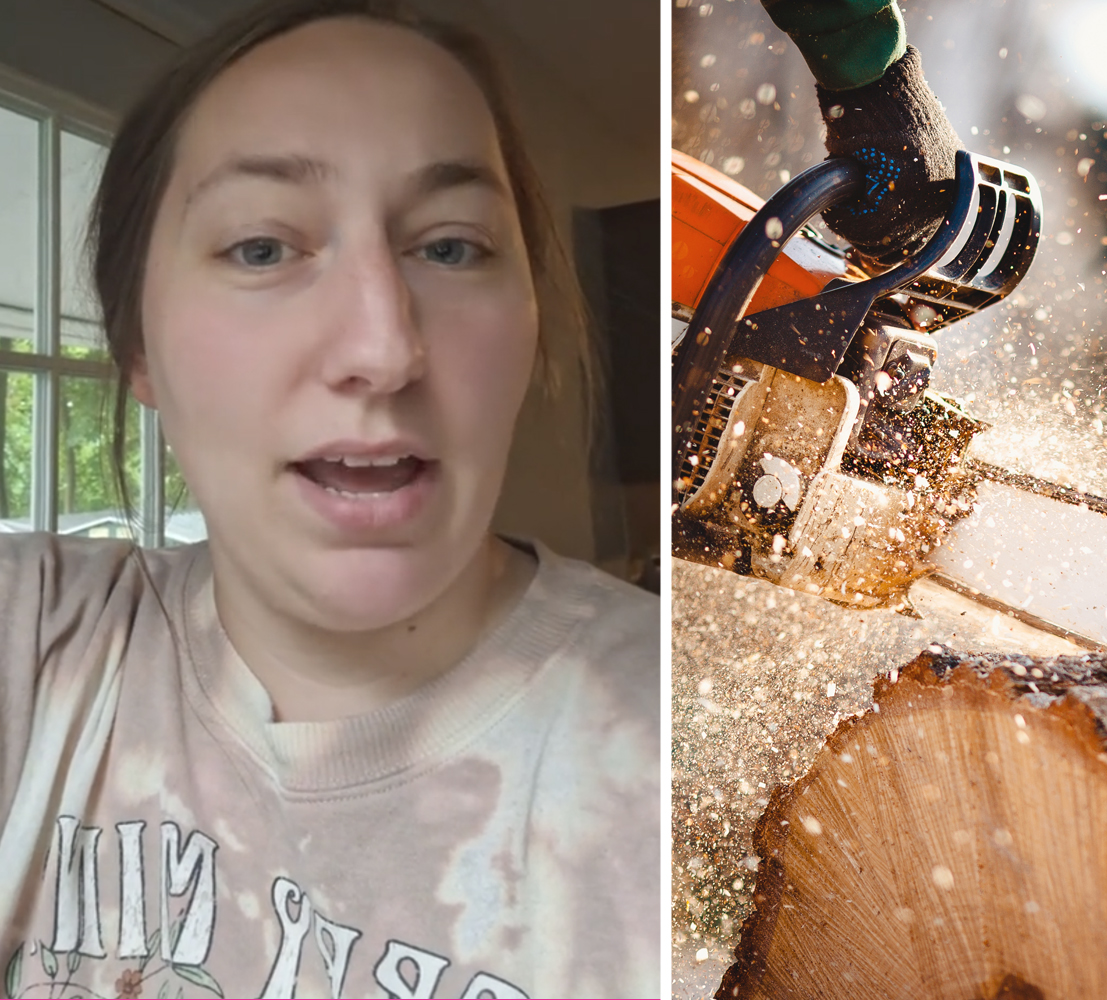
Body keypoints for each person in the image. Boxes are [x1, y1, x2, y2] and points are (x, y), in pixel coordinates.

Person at [0, 1, 659, 996]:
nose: (383, 350)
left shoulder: (680, 746)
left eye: (449, 247)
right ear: (138, 346)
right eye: (262, 248)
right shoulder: (36, 643)